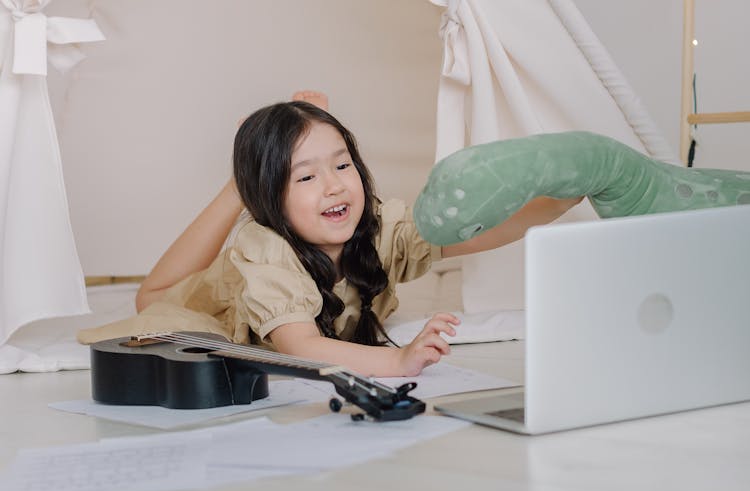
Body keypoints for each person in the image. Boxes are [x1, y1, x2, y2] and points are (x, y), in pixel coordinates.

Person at [128, 91, 581, 377]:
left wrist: (561, 199)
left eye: (343, 164)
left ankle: (274, 166)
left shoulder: (380, 227)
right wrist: (396, 362)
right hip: (210, 299)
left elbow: (475, 231)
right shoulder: (266, 249)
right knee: (152, 298)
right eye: (306, 177)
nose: (335, 185)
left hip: (269, 214)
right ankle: (239, 185)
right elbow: (300, 346)